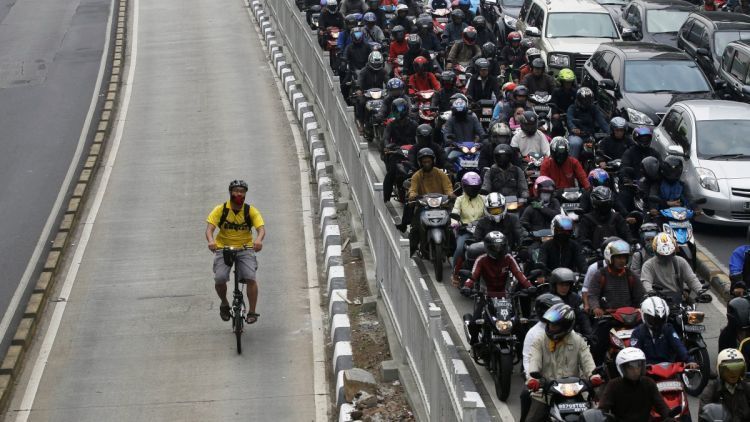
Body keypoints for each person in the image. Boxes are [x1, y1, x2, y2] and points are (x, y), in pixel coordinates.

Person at [525, 303, 599, 422]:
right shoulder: (539, 340)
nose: (550, 327)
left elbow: (588, 361)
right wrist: (533, 379)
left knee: (594, 416)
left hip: (575, 391)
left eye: (555, 325)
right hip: (546, 392)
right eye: (549, 323)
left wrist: (593, 376)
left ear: (565, 326)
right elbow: (534, 361)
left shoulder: (578, 340)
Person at [205, 180, 266, 324]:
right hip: (223, 248)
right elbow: (209, 229)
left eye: (242, 191)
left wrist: (259, 240)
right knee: (220, 278)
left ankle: (252, 311)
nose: (239, 193)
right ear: (231, 192)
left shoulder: (250, 211)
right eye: (236, 191)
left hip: (245, 248)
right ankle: (225, 303)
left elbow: (261, 229)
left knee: (251, 278)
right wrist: (211, 241)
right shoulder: (220, 210)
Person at [464, 231, 532, 340]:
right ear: (487, 247)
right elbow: (473, 276)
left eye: (501, 247)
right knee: (473, 324)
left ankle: (521, 354)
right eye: (495, 247)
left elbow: (519, 274)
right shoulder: (481, 260)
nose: (498, 250)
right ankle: (475, 345)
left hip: (507, 296)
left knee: (519, 327)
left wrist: (529, 286)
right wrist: (467, 286)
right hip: (485, 296)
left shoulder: (509, 258)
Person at [587, 239, 646, 362]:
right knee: (597, 343)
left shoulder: (631, 275)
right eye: (618, 257)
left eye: (624, 257)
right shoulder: (600, 274)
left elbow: (641, 295)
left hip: (631, 318)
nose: (622, 261)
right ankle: (597, 369)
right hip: (609, 318)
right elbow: (592, 294)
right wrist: (596, 308)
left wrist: (643, 307)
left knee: (647, 337)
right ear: (610, 258)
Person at [399, 148, 455, 254]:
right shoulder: (416, 176)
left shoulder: (440, 174)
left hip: (441, 206)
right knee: (415, 229)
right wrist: (412, 195)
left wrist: (450, 195)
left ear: (433, 161)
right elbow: (413, 189)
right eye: (424, 162)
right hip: (423, 206)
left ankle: (451, 249)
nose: (427, 164)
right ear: (420, 163)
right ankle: (409, 254)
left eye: (429, 161)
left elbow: (448, 188)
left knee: (451, 227)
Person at [519, 293, 564, 422]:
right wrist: (532, 379)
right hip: (544, 381)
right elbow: (527, 359)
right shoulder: (533, 333)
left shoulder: (568, 330)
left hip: (567, 378)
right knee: (526, 398)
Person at [597, 347, 675, 422]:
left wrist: (669, 417)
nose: (636, 370)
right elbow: (602, 410)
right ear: (622, 368)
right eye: (631, 367)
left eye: (639, 366)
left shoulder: (648, 383)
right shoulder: (613, 385)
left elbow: (661, 406)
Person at [632, 296, 698, 369]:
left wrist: (689, 360)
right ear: (644, 315)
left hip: (669, 369)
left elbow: (678, 345)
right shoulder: (637, 333)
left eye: (660, 320)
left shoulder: (668, 329)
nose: (657, 323)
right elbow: (634, 354)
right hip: (648, 371)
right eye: (653, 320)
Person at [640, 233, 704, 304]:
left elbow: (691, 278)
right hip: (657, 300)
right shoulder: (648, 265)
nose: (666, 258)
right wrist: (650, 292)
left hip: (678, 299)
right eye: (662, 255)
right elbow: (646, 282)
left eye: (669, 255)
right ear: (656, 252)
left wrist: (700, 291)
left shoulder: (680, 261)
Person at [382, 98, 418, 202]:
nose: (399, 111)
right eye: (397, 109)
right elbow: (386, 138)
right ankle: (386, 197)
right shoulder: (391, 125)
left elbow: (418, 139)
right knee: (391, 173)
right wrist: (387, 146)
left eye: (401, 108)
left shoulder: (414, 124)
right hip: (396, 152)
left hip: (411, 151)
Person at [451, 172, 485, 280]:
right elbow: (455, 212)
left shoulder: (484, 198)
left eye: (475, 188)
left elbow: (489, 212)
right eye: (470, 188)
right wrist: (455, 223)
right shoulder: (460, 199)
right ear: (464, 187)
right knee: (460, 248)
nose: (472, 190)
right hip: (465, 231)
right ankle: (455, 273)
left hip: (482, 231)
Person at [699, 348, 750, 421]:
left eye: (737, 369)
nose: (733, 373)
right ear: (721, 371)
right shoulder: (712, 389)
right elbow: (703, 415)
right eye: (728, 369)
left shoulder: (746, 388)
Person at [550, 267, 594, 341]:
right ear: (555, 285)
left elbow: (583, 317)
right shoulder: (548, 298)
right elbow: (538, 318)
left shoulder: (575, 298)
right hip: (551, 335)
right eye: (561, 284)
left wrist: (589, 336)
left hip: (572, 335)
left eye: (567, 285)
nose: (564, 288)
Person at [566, 87, 608, 159]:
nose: (587, 102)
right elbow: (570, 120)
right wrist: (574, 128)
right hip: (576, 135)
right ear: (579, 99)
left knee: (601, 145)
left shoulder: (593, 109)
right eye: (585, 100)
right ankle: (571, 166)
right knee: (575, 144)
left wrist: (610, 132)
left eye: (589, 100)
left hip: (590, 136)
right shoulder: (572, 108)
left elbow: (602, 121)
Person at [354, 51, 388, 125]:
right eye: (374, 64)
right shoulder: (364, 71)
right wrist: (359, 89)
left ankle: (388, 121)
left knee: (389, 102)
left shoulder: (383, 71)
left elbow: (387, 81)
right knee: (361, 103)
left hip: (380, 94)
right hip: (366, 94)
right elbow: (360, 80)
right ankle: (361, 123)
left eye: (378, 64)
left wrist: (389, 88)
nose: (376, 65)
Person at [550, 68, 577, 137]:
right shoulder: (556, 92)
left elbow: (577, 104)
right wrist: (555, 113)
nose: (568, 84)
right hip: (559, 116)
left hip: (572, 116)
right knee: (556, 127)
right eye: (566, 82)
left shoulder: (575, 92)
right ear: (562, 82)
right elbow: (553, 104)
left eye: (570, 82)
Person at [729, 226, 750, 297]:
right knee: (736, 305)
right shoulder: (740, 252)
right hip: (744, 294)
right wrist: (740, 285)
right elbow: (735, 272)